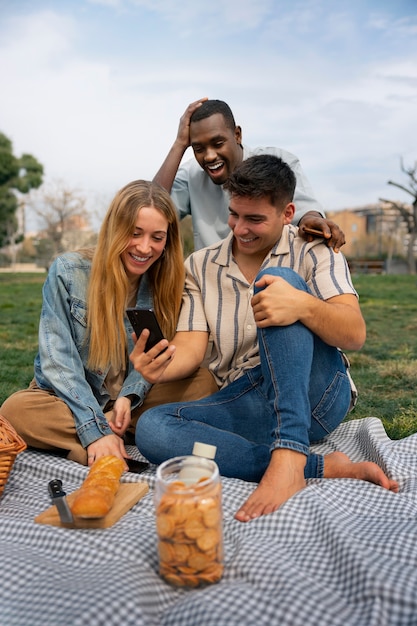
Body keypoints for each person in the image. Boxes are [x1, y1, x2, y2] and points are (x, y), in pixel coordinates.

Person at [131, 155, 398, 521]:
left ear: (288, 213)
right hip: (249, 399)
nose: (240, 228)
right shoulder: (199, 265)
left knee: (281, 284)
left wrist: (301, 304)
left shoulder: (315, 247)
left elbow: (355, 333)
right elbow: (191, 348)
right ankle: (316, 466)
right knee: (153, 429)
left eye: (255, 219)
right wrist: (158, 367)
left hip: (315, 394)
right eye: (234, 215)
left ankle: (289, 452)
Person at [0, 180, 217, 469]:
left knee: (203, 384)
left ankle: (94, 439)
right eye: (135, 233)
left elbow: (152, 359)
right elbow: (58, 363)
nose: (144, 247)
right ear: (116, 228)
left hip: (131, 401)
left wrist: (128, 397)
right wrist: (94, 425)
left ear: (168, 240)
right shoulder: (68, 271)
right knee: (17, 410)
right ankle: (103, 437)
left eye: (157, 237)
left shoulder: (164, 281)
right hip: (70, 397)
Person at [154, 97, 346, 251]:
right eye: (198, 148)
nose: (209, 156)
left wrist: (313, 220)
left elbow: (306, 212)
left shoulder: (278, 161)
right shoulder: (191, 174)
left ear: (237, 135)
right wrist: (179, 144)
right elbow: (150, 210)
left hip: (271, 282)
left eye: (218, 143)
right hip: (212, 285)